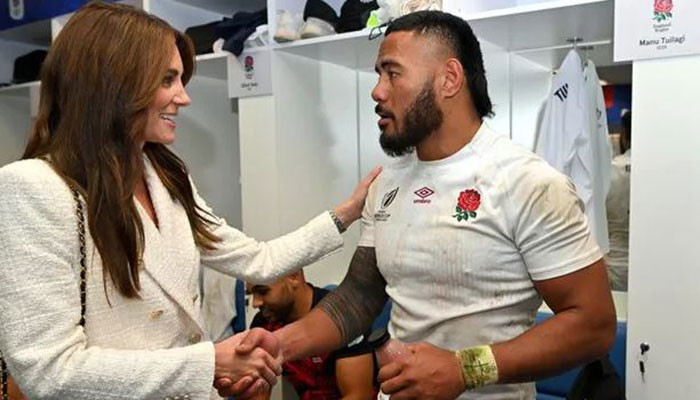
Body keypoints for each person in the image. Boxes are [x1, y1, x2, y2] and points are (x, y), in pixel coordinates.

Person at [219, 10, 617, 400]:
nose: (377, 91)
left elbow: (593, 326)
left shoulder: (530, 183)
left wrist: (465, 368)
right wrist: (278, 346)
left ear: (449, 78)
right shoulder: (387, 184)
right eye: (378, 74)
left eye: (392, 73)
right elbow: (359, 296)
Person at [0, 2, 379, 400]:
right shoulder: (33, 188)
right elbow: (48, 371)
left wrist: (346, 213)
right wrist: (209, 364)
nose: (184, 97)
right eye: (168, 79)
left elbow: (258, 259)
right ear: (114, 83)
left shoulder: (165, 177)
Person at [247, 271, 377, 400]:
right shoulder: (263, 325)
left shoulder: (343, 316)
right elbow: (258, 393)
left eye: (263, 291)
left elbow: (359, 395)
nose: (255, 303)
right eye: (251, 293)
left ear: (293, 276)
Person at [605, 111, 632, 291]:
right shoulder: (661, 173)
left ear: (624, 134)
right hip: (652, 262)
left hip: (614, 264)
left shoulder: (610, 170)